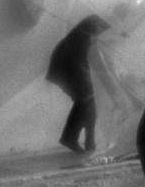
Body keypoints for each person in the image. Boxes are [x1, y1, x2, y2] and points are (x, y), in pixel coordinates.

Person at [46, 14, 110, 154]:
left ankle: (89, 141)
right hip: (65, 72)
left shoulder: (83, 36)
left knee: (89, 102)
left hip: (66, 71)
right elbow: (77, 63)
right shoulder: (82, 38)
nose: (101, 31)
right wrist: (87, 81)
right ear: (93, 25)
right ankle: (69, 137)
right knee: (84, 100)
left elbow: (87, 63)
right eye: (101, 27)